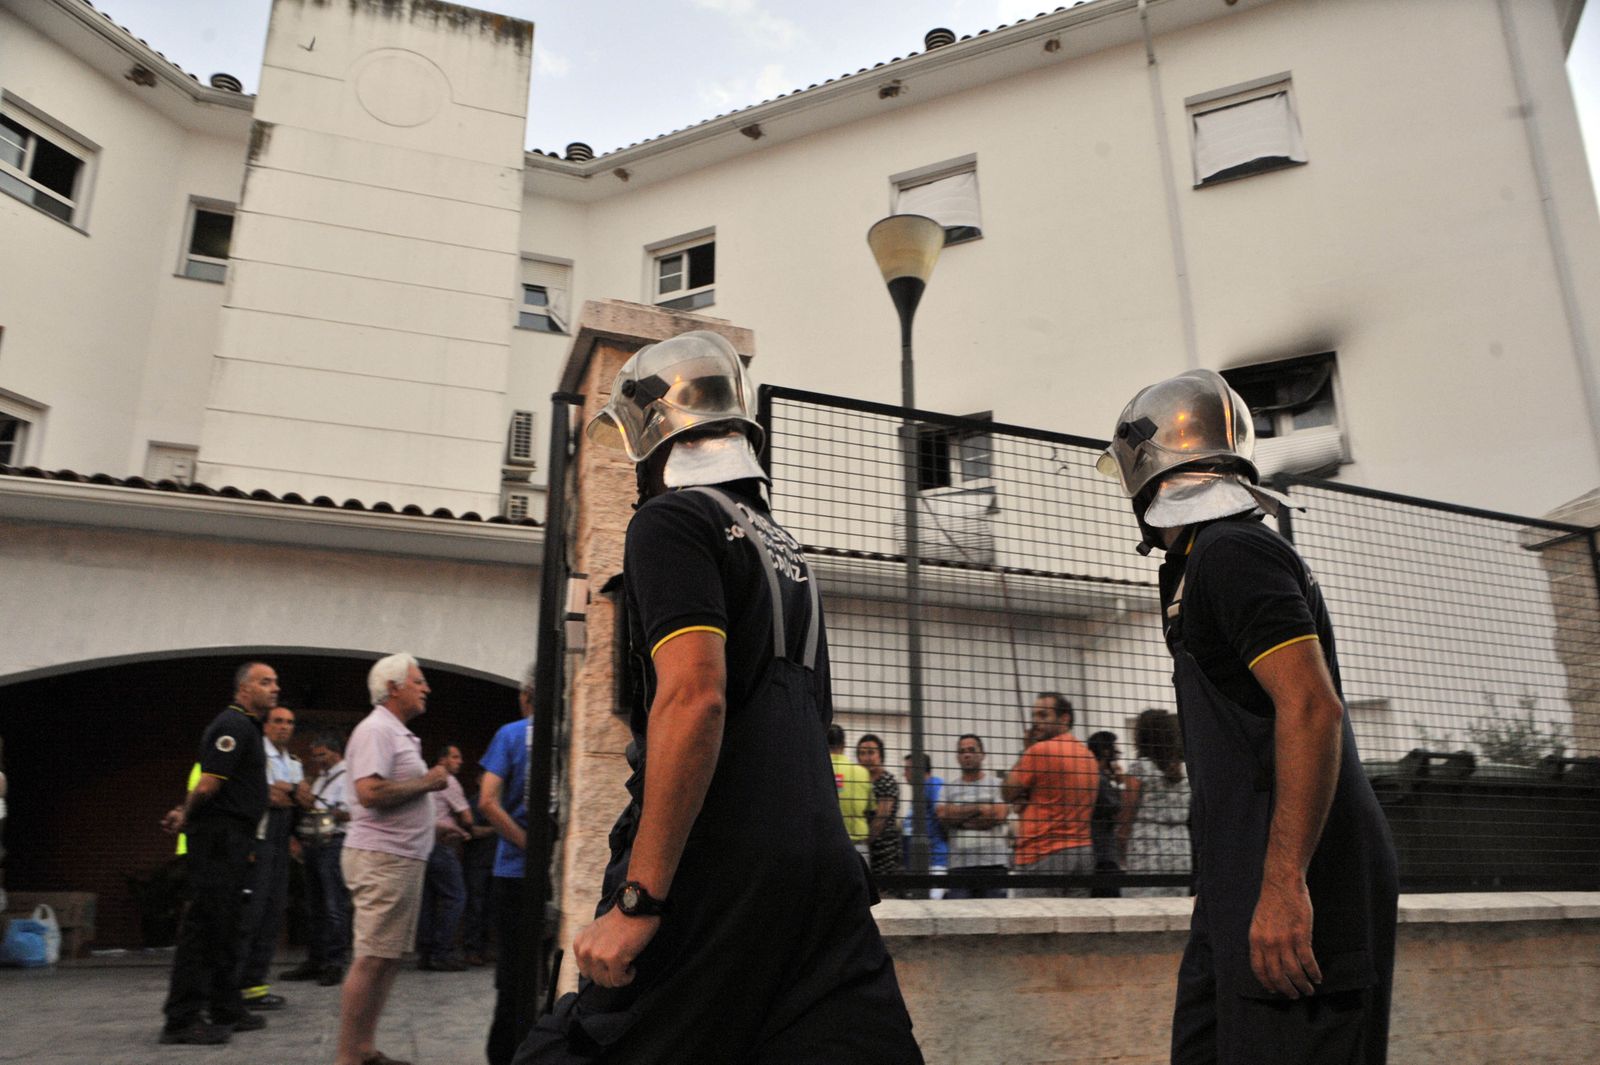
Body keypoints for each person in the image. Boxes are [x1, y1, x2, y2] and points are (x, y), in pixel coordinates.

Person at [524, 331, 922, 1063]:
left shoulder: (671, 521)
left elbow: (695, 698)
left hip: (720, 869)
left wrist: (639, 900)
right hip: (820, 872)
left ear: (652, 435)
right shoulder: (785, 548)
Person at [1098, 368, 1398, 1064]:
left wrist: (1284, 884)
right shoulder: (1198, 560)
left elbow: (1311, 707)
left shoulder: (1234, 549)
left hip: (1301, 887)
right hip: (1238, 888)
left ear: (1148, 464)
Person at [334, 653, 451, 1065]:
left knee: (385, 959)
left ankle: (363, 1049)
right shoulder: (376, 730)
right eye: (418, 681)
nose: (426, 688)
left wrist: (432, 825)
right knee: (371, 958)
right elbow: (370, 793)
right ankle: (349, 1057)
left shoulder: (393, 732)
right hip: (383, 860)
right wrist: (430, 781)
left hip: (399, 858)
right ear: (393, 687)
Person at [157, 662, 277, 1045]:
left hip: (235, 839)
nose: (274, 688)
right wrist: (184, 811)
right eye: (265, 682)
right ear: (244, 689)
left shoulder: (247, 728)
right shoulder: (233, 725)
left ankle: (226, 1006)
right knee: (205, 927)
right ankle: (181, 1020)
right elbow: (208, 784)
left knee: (227, 926)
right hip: (219, 839)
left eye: (275, 682)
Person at [480, 666, 537, 1065]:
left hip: (515, 872)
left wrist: (524, 845)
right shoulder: (565, 736)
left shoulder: (512, 735)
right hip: (546, 873)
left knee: (513, 977)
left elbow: (486, 802)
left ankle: (505, 1055)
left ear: (524, 695)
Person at [235, 705, 302, 1011]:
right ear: (266, 726)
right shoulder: (256, 756)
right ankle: (231, 989)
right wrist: (289, 792)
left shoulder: (293, 762)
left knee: (272, 916)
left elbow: (299, 799)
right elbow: (269, 796)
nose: (284, 727)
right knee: (249, 917)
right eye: (278, 721)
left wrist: (287, 792)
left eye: (289, 722)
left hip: (280, 844)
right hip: (257, 840)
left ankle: (255, 988)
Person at [1001, 693, 1098, 897]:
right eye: (1034, 715)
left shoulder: (1040, 751)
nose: (1036, 722)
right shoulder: (1088, 756)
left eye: (1043, 715)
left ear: (1064, 719)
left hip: (1043, 851)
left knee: (1035, 925)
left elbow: (1008, 792)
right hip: (1082, 852)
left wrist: (1025, 752)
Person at [282, 731, 353, 986]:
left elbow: (350, 813)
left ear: (335, 752)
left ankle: (334, 963)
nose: (317, 760)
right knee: (314, 906)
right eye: (314, 756)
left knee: (334, 905)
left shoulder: (349, 776)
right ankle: (315, 960)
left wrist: (319, 805)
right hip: (313, 844)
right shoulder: (322, 778)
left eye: (321, 755)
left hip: (333, 843)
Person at [1121, 709, 1192, 899]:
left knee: (1141, 906)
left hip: (1146, 844)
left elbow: (1127, 814)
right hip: (1180, 845)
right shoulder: (1185, 769)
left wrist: (1121, 847)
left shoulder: (1140, 768)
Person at [417, 743, 472, 971]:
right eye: (455, 757)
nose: (459, 762)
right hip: (442, 846)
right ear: (442, 760)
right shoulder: (448, 780)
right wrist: (464, 830)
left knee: (428, 901)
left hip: (423, 845)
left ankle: (427, 953)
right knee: (456, 897)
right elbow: (467, 817)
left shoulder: (426, 778)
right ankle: (442, 952)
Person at [935, 734, 1009, 899]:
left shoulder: (997, 785)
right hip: (959, 866)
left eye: (971, 750)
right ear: (958, 757)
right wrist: (980, 808)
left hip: (993, 864)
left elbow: (999, 814)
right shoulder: (948, 789)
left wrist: (960, 819)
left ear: (982, 754)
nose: (966, 754)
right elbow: (943, 815)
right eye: (962, 751)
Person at [461, 765, 500, 967]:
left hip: (493, 863)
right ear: (478, 780)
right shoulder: (474, 803)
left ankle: (485, 949)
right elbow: (471, 831)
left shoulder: (499, 803)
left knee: (490, 909)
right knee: (475, 907)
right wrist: (498, 828)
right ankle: (472, 950)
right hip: (477, 863)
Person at [1086, 730, 1127, 898]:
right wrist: (1122, 785)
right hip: (1103, 855)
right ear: (1105, 751)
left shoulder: (1097, 776)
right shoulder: (1100, 779)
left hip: (1098, 852)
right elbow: (1118, 809)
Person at [901, 752, 948, 897]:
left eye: (908, 769)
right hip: (921, 862)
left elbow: (943, 816)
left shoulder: (933, 785)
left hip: (936, 861)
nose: (904, 773)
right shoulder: (920, 791)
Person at [857, 733, 900, 879]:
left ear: (880, 755)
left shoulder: (886, 780)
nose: (866, 757)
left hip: (885, 850)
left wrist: (863, 841)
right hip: (863, 848)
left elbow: (881, 819)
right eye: (862, 753)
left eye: (871, 752)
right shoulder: (858, 780)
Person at [827, 723, 872, 856]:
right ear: (844, 744)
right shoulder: (861, 772)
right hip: (857, 846)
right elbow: (870, 808)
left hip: (827, 845)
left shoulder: (817, 771)